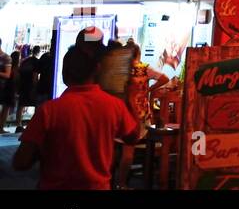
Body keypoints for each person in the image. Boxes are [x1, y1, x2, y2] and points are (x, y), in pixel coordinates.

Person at [13, 46, 142, 189]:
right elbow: (133, 136)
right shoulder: (114, 106)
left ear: (64, 73)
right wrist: (131, 99)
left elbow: (21, 162)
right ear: (97, 70)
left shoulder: (49, 111)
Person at [16, 47, 43, 133]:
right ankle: (33, 125)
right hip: (31, 86)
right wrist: (36, 85)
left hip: (23, 85)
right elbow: (35, 75)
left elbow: (19, 73)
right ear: (38, 52)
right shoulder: (37, 62)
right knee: (36, 105)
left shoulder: (25, 61)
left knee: (21, 105)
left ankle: (18, 124)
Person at [0, 46, 13, 132]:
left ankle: (0, 127)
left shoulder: (6, 58)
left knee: (5, 108)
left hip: (3, 87)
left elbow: (7, 75)